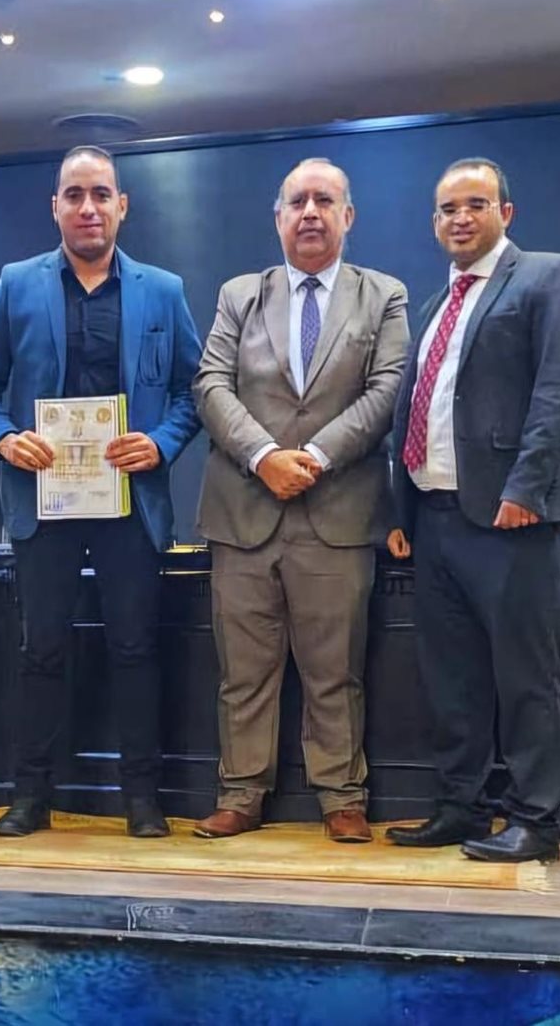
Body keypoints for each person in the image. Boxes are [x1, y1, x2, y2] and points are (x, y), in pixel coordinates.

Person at [0, 145, 202, 838]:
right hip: (43, 501)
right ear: (55, 207)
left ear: (122, 205)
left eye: (101, 194)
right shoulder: (16, 284)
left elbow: (193, 389)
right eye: (74, 194)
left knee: (135, 648)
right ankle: (29, 797)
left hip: (132, 501)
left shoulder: (163, 290)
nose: (88, 207)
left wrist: (162, 441)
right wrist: (5, 438)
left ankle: (142, 800)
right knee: (40, 650)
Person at [193, 158, 408, 843]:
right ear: (278, 217)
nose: (310, 212)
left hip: (337, 511)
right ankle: (240, 794)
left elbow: (388, 390)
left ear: (348, 216)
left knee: (335, 669)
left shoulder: (383, 295)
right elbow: (210, 385)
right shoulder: (239, 295)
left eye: (324, 200)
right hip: (243, 511)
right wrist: (265, 456)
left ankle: (341, 797)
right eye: (297, 202)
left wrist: (312, 456)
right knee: (243, 672)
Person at [385, 157, 560, 863]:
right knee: (452, 677)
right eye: (448, 208)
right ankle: (460, 806)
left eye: (475, 204)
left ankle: (536, 819)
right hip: (436, 519)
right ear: (434, 222)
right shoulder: (435, 305)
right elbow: (417, 410)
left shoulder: (547, 276)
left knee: (526, 676)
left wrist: (525, 489)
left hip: (511, 519)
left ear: (507, 212)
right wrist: (401, 509)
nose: (460, 218)